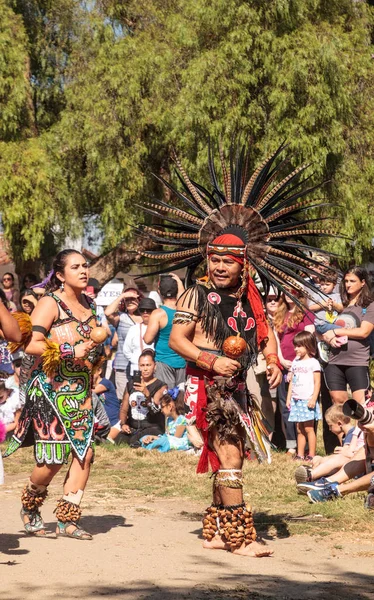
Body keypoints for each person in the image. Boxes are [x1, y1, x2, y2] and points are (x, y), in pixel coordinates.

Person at [136, 141, 335, 557]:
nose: (220, 266)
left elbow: (262, 334)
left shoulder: (251, 300)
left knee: (227, 454)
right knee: (231, 458)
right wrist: (210, 359)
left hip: (236, 387)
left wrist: (271, 360)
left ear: (243, 263)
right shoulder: (195, 295)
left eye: (228, 260)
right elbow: (176, 341)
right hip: (208, 388)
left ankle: (213, 528)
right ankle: (240, 537)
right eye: (214, 259)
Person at [4, 249, 102, 540]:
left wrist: (99, 351)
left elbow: (92, 343)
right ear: (60, 275)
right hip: (49, 389)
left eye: (85, 266)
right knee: (53, 460)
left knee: (85, 453)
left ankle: (67, 519)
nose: (83, 270)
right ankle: (30, 504)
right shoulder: (50, 303)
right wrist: (70, 350)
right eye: (76, 267)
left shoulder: (90, 304)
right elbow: (30, 345)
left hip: (80, 389)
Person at [323, 267, 374, 406]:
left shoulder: (369, 305)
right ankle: (345, 428)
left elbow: (364, 332)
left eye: (352, 281)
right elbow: (328, 329)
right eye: (346, 281)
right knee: (339, 404)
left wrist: (337, 332)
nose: (348, 284)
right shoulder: (342, 306)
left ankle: (362, 428)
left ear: (363, 282)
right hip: (334, 360)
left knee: (361, 406)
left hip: (357, 361)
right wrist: (330, 337)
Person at [273, 291, 315, 456]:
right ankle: (291, 444)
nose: (289, 295)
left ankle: (305, 445)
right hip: (284, 363)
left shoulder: (306, 313)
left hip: (302, 365)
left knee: (304, 404)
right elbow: (276, 338)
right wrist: (281, 359)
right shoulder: (280, 313)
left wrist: (298, 360)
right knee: (286, 404)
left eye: (293, 293)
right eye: (286, 292)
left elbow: (309, 337)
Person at [295, 404, 365, 489]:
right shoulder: (353, 432)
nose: (329, 429)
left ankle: (311, 475)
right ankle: (313, 474)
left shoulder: (351, 433)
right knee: (318, 458)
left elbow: (347, 455)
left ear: (339, 423)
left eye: (330, 425)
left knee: (332, 459)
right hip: (351, 464)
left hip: (357, 468)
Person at [113, 349, 167, 447]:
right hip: (134, 427)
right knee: (119, 440)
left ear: (154, 366)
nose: (145, 369)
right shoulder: (130, 385)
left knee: (137, 439)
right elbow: (124, 409)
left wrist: (147, 394)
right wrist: (123, 424)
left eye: (148, 365)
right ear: (138, 367)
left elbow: (155, 410)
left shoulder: (161, 386)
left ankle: (138, 441)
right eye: (142, 365)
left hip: (152, 426)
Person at [143, 274, 186, 389]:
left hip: (164, 362)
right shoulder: (185, 311)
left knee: (165, 401)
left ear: (159, 292)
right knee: (182, 400)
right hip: (183, 361)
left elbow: (147, 339)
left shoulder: (158, 314)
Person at [286, 332, 321, 460]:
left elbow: (317, 382)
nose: (296, 349)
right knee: (299, 429)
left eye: (299, 346)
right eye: (295, 346)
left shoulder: (313, 363)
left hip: (307, 400)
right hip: (296, 400)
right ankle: (300, 454)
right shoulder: (295, 362)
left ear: (308, 346)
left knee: (308, 428)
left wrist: (313, 399)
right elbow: (292, 382)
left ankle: (311, 454)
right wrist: (289, 398)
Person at [105, 286, 142, 401]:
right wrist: (122, 296)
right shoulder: (121, 317)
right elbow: (108, 312)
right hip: (123, 366)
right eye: (127, 299)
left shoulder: (147, 318)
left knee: (140, 399)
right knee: (124, 400)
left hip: (143, 366)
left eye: (133, 298)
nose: (130, 301)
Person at [123, 297, 156, 375]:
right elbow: (126, 350)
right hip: (138, 370)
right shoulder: (133, 329)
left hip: (156, 371)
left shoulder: (160, 329)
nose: (145, 312)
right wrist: (138, 361)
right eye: (142, 310)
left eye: (148, 310)